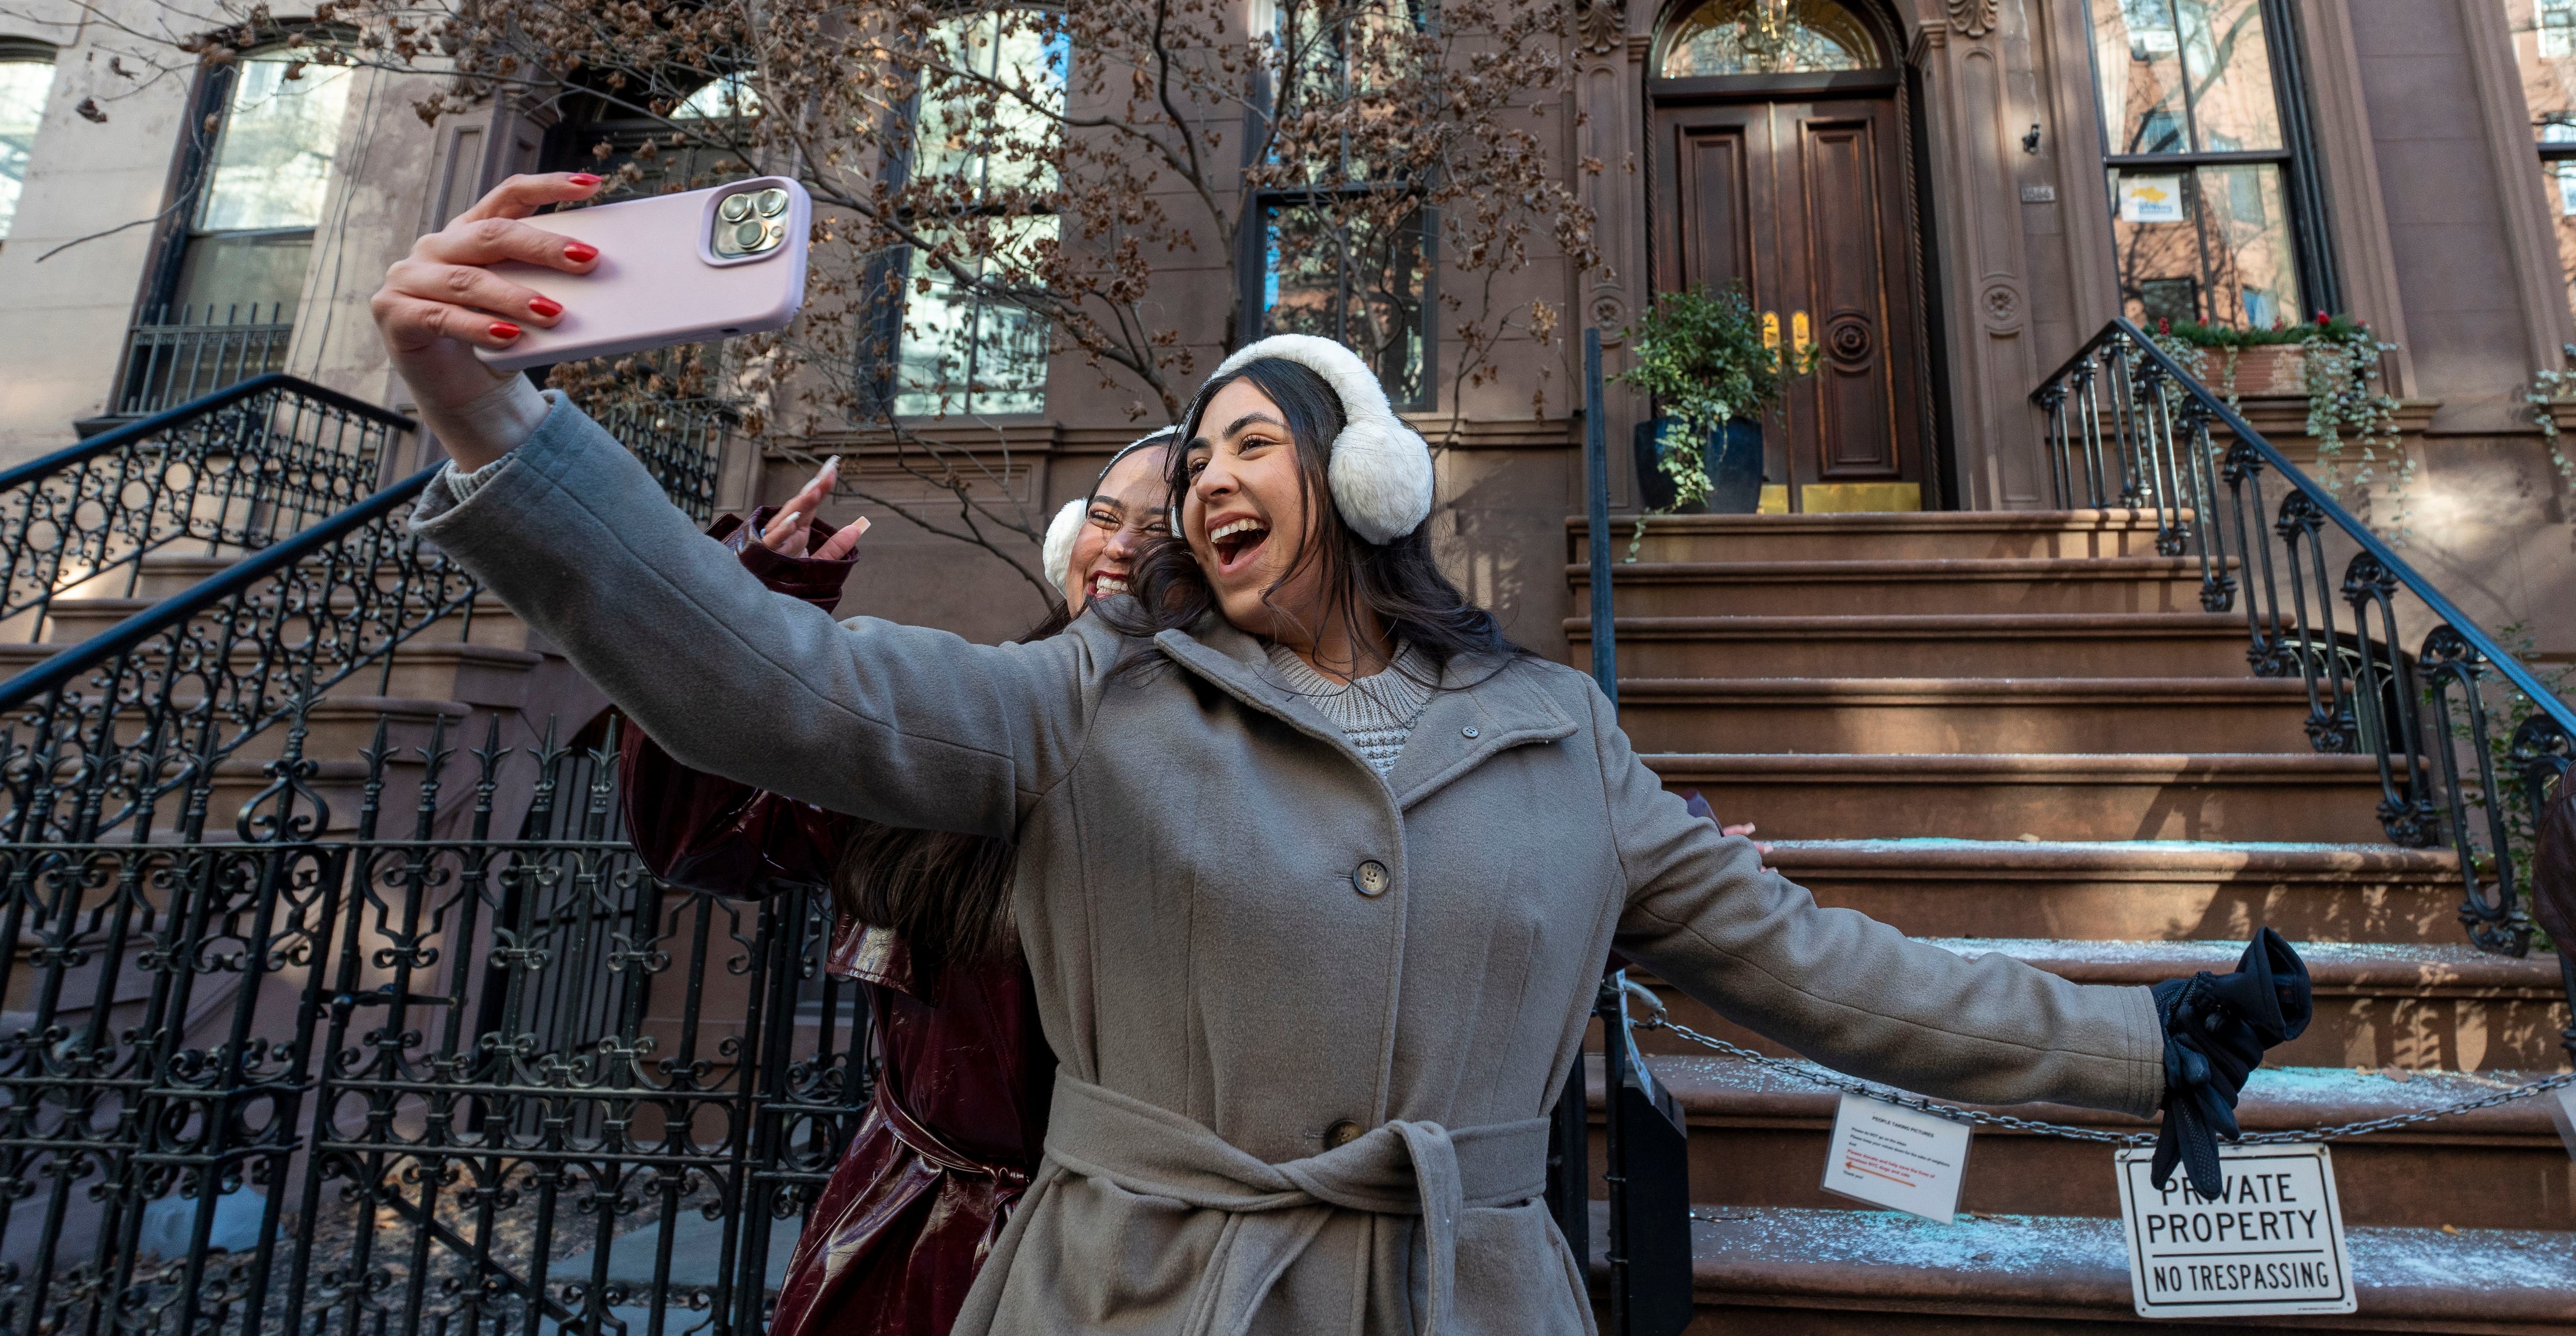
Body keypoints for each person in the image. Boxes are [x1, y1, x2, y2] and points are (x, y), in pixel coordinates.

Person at [379, 171, 2309, 1336]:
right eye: (1190, 451)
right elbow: (772, 689)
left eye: (1253, 438)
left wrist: (2147, 1047)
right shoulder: (1085, 708)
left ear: (1363, 482)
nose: (1211, 476)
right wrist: (506, 440)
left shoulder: (1561, 736)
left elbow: (1823, 970)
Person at [616, 430, 1176, 1336]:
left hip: (1138, 1271)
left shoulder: (1253, 770)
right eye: (1104, 518)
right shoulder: (960, 718)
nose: (1118, 546)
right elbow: (703, 833)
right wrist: (755, 595)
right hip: (916, 1258)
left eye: (1162, 529)